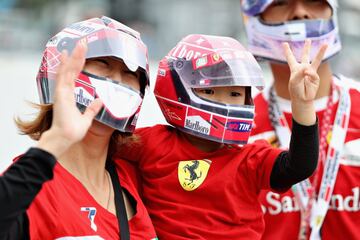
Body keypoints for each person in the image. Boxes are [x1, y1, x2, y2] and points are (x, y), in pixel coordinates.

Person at [117, 33, 324, 239]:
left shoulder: (250, 158)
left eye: (234, 94)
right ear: (176, 89)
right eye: (209, 90)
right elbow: (96, 148)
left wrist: (302, 104)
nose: (224, 103)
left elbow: (299, 166)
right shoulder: (152, 142)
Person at [0, 16, 157, 239]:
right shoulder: (32, 184)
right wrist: (55, 141)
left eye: (130, 74)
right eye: (103, 63)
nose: (117, 80)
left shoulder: (136, 177)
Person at [240, 0, 360, 239]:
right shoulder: (235, 127)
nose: (300, 12)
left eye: (314, 1)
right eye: (282, 2)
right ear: (252, 18)